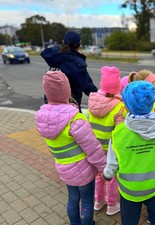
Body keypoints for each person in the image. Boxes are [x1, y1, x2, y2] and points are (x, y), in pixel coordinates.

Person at [35, 71, 107, 225]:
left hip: (64, 167)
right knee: (87, 202)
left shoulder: (42, 118)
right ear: (67, 91)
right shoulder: (75, 119)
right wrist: (103, 167)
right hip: (83, 169)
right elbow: (92, 148)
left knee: (73, 199)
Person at [103, 81, 155, 225]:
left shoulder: (118, 134)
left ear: (127, 106)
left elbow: (112, 163)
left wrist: (107, 175)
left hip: (129, 191)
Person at [87, 66, 124, 216]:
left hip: (95, 148)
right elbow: (120, 133)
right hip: (110, 149)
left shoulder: (92, 102)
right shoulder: (119, 107)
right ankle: (112, 204)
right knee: (111, 177)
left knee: (98, 175)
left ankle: (98, 201)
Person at [40, 31, 98, 112]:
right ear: (79, 45)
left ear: (63, 42)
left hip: (50, 100)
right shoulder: (75, 63)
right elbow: (87, 86)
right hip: (70, 104)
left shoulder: (54, 56)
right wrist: (102, 97)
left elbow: (47, 51)